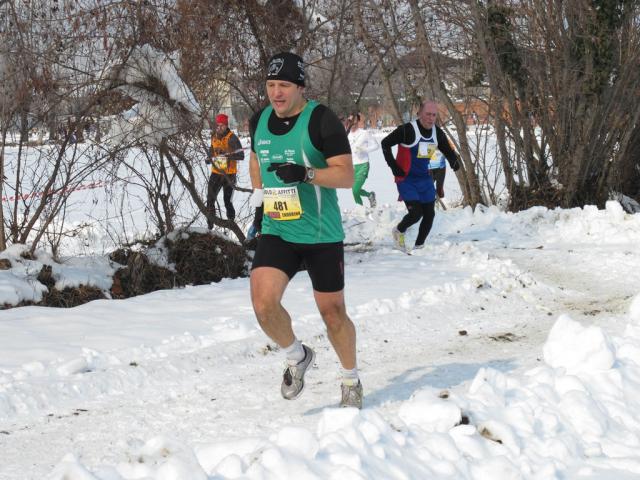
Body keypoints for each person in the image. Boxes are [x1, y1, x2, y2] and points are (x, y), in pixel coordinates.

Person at [248, 51, 363, 408]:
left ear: (300, 87)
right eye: (270, 85)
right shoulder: (259, 121)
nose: (276, 93)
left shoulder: (321, 120)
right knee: (264, 305)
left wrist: (305, 173)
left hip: (320, 234)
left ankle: (350, 380)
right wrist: (259, 201)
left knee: (333, 314)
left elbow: (345, 175)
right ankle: (297, 356)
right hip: (278, 229)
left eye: (284, 85)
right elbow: (257, 161)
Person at [381, 100, 461, 251]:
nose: (431, 118)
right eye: (428, 114)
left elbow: (447, 150)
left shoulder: (437, 133)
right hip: (406, 179)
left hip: (424, 178)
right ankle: (399, 231)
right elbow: (385, 143)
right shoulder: (407, 130)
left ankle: (419, 247)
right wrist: (393, 166)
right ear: (419, 114)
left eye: (434, 115)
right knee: (416, 213)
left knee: (429, 214)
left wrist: (453, 161)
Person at [206, 113, 244, 227]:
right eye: (218, 125)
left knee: (227, 201)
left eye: (222, 125)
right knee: (210, 199)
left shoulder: (232, 138)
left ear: (226, 125)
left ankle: (231, 222)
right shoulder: (214, 136)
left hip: (229, 175)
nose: (219, 127)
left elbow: (241, 155)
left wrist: (227, 156)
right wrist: (209, 158)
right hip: (216, 173)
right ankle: (210, 225)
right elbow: (211, 151)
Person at [347, 113, 378, 208]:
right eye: (349, 121)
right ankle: (369, 196)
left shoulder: (364, 133)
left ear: (358, 121)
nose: (352, 123)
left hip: (363, 165)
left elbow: (376, 145)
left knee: (355, 189)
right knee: (355, 190)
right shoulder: (347, 135)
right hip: (352, 166)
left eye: (354, 121)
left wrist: (364, 150)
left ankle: (360, 208)